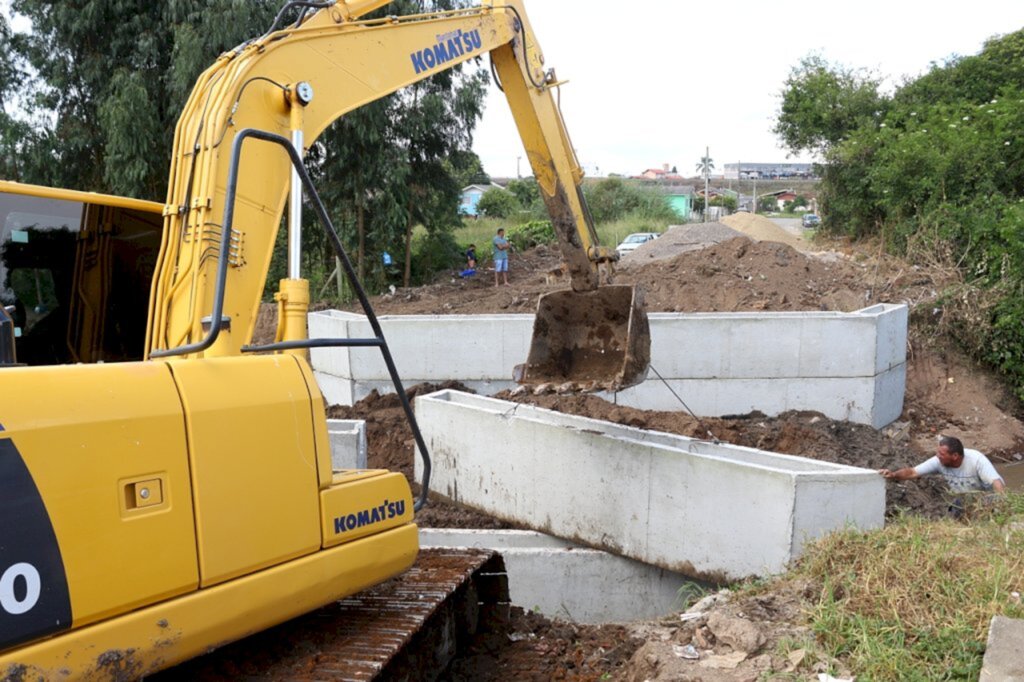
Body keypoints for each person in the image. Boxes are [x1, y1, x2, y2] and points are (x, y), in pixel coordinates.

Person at [880, 435, 1006, 514]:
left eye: (942, 454)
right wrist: (893, 475)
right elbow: (913, 472)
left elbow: (997, 484)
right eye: (938, 452)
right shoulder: (938, 461)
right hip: (964, 499)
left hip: (986, 498)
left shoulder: (976, 460)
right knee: (954, 514)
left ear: (955, 456)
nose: (937, 456)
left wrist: (1001, 505)